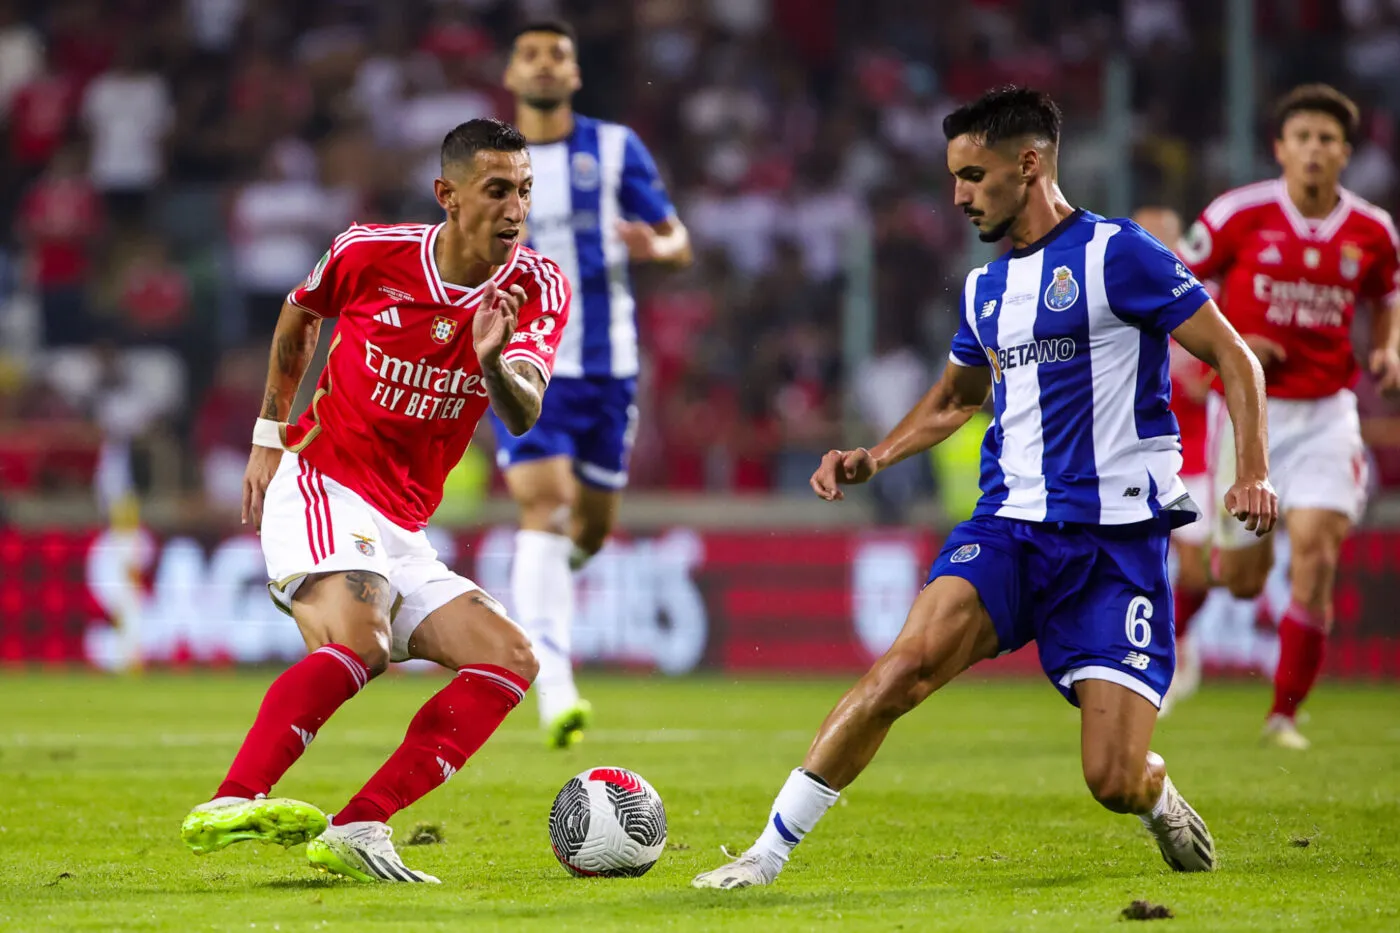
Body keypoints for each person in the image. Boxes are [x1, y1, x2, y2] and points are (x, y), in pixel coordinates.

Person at [692, 86, 1277, 890]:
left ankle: (1155, 791)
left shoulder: (1120, 254)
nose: (958, 196)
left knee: (1111, 777)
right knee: (902, 668)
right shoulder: (985, 289)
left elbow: (1235, 358)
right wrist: (877, 455)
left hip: (1116, 546)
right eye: (955, 177)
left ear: (1029, 165)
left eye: (972, 175)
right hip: (1010, 530)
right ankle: (768, 851)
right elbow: (955, 400)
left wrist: (1252, 470)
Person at [180, 119, 571, 883]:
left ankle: (361, 823)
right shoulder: (369, 252)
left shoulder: (535, 286)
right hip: (324, 482)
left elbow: (524, 409)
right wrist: (267, 431)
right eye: (497, 190)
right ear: (448, 197)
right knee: (364, 641)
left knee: (510, 658)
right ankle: (233, 798)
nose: (515, 208)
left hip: (401, 526)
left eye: (524, 190)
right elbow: (302, 314)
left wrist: (492, 360)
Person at [1180, 84, 1400, 750]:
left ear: (1344, 153)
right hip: (1247, 415)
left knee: (1317, 551)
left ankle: (1284, 714)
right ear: (1280, 148)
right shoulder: (1235, 215)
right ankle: (1178, 635)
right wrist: (1229, 345)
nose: (1313, 149)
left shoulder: (1373, 231)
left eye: (1326, 139)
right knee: (1241, 580)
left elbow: (1387, 295)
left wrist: (1387, 347)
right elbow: (1178, 289)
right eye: (1301, 137)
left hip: (1328, 413)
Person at [495, 20, 692, 748]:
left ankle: (533, 591)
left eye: (559, 55)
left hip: (608, 367)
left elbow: (677, 238)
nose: (545, 66)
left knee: (592, 529)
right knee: (544, 508)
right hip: (526, 363)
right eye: (532, 55)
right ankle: (553, 681)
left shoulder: (613, 149)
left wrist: (655, 245)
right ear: (511, 73)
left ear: (575, 74)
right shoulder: (491, 157)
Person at [1133, 205, 1215, 715]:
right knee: (1144, 568)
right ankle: (1153, 661)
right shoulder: (1119, 298)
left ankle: (1178, 640)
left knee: (1200, 572)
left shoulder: (1202, 300)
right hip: (1141, 452)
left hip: (1199, 454)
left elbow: (1226, 367)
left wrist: (1203, 378)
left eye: (1164, 236)